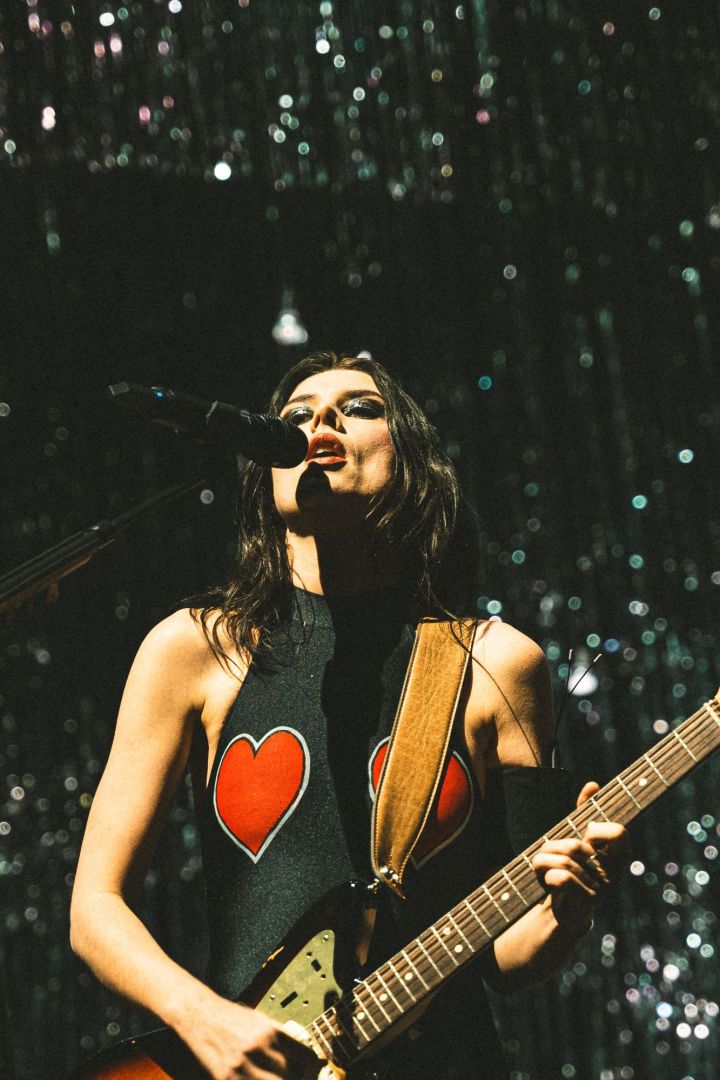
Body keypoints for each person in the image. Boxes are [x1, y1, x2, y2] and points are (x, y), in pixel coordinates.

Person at [70, 351, 626, 1080]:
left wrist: (568, 912)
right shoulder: (196, 649)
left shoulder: (495, 662)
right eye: (296, 415)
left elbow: (507, 958)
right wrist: (203, 1019)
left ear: (414, 462)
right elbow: (95, 907)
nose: (321, 420)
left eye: (360, 407)